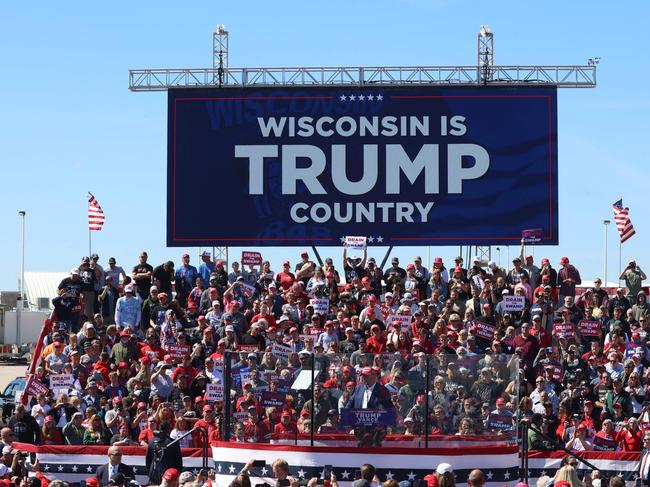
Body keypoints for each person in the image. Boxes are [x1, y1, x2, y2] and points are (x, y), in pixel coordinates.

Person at [146, 421, 183, 485]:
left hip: (154, 474)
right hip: (169, 477)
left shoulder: (151, 441)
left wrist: (150, 473)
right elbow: (178, 462)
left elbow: (148, 461)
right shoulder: (173, 443)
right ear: (169, 429)